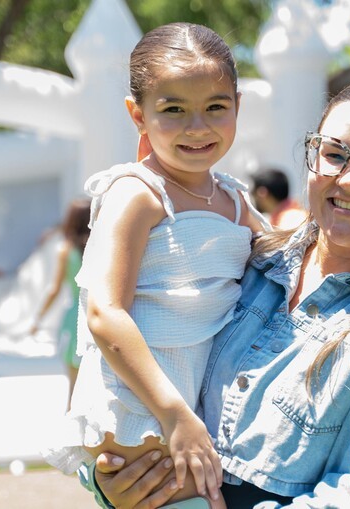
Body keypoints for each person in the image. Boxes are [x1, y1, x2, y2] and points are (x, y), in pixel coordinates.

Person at [82, 76, 350, 509]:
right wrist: (115, 481)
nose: (348, 180)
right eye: (334, 154)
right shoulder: (248, 262)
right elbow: (143, 345)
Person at [43, 22, 269, 508]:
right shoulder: (138, 194)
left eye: (216, 107)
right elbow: (105, 311)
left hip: (196, 405)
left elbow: (285, 254)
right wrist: (173, 414)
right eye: (173, 110)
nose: (197, 127)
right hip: (144, 408)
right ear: (138, 115)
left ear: (238, 105)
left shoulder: (233, 199)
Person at [31, 198, 91, 403]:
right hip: (99, 312)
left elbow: (54, 289)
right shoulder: (101, 246)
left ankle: (73, 417)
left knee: (74, 385)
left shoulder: (66, 250)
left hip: (75, 317)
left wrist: (38, 318)